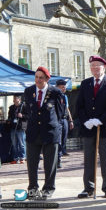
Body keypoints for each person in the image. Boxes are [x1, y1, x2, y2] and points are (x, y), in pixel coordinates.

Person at [77, 55, 106, 199]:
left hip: (105, 127)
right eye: (92, 66)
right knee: (89, 158)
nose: (95, 68)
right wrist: (86, 121)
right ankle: (88, 187)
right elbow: (79, 106)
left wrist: (100, 119)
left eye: (97, 65)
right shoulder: (85, 84)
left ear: (104, 67)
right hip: (89, 127)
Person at [23, 66, 64, 199]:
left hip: (50, 132)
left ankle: (48, 188)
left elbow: (60, 113)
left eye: (41, 77)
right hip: (33, 132)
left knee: (50, 163)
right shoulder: (28, 91)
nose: (38, 80)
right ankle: (33, 188)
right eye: (36, 77)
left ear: (47, 79)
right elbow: (28, 111)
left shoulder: (56, 92)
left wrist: (55, 127)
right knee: (32, 163)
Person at [56, 79, 74, 168]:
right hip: (57, 120)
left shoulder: (65, 97)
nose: (64, 89)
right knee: (58, 140)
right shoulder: (54, 96)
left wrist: (70, 120)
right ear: (58, 87)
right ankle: (57, 160)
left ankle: (61, 154)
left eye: (65, 87)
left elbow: (67, 109)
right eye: (62, 87)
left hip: (64, 120)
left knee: (63, 139)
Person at [8, 95, 27, 164]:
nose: (14, 101)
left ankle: (23, 157)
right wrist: (9, 120)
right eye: (13, 99)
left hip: (21, 127)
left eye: (15, 99)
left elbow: (29, 116)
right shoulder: (11, 107)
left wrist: (22, 116)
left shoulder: (24, 106)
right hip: (13, 127)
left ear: (19, 99)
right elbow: (9, 116)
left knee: (21, 143)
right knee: (14, 144)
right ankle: (16, 158)